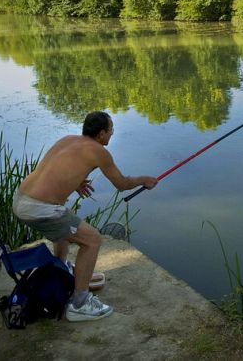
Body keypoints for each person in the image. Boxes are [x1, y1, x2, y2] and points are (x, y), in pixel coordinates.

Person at [12, 111, 158, 322]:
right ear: (101, 134)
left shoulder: (68, 140)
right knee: (92, 240)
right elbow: (122, 184)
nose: (112, 133)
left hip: (21, 198)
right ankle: (79, 304)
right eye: (111, 129)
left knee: (65, 221)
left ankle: (62, 269)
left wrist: (76, 181)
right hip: (38, 208)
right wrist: (144, 180)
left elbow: (48, 169)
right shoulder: (99, 152)